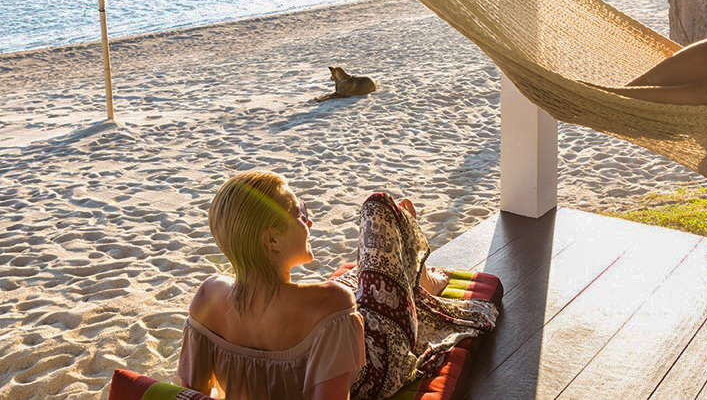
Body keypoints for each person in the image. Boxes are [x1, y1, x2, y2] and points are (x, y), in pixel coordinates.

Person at [177, 171, 498, 400]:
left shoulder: (208, 295)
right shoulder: (331, 304)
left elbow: (193, 393)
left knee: (357, 277)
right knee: (380, 205)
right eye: (300, 213)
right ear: (272, 239)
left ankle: (408, 276)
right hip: (379, 366)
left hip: (340, 328)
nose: (310, 221)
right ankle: (419, 284)